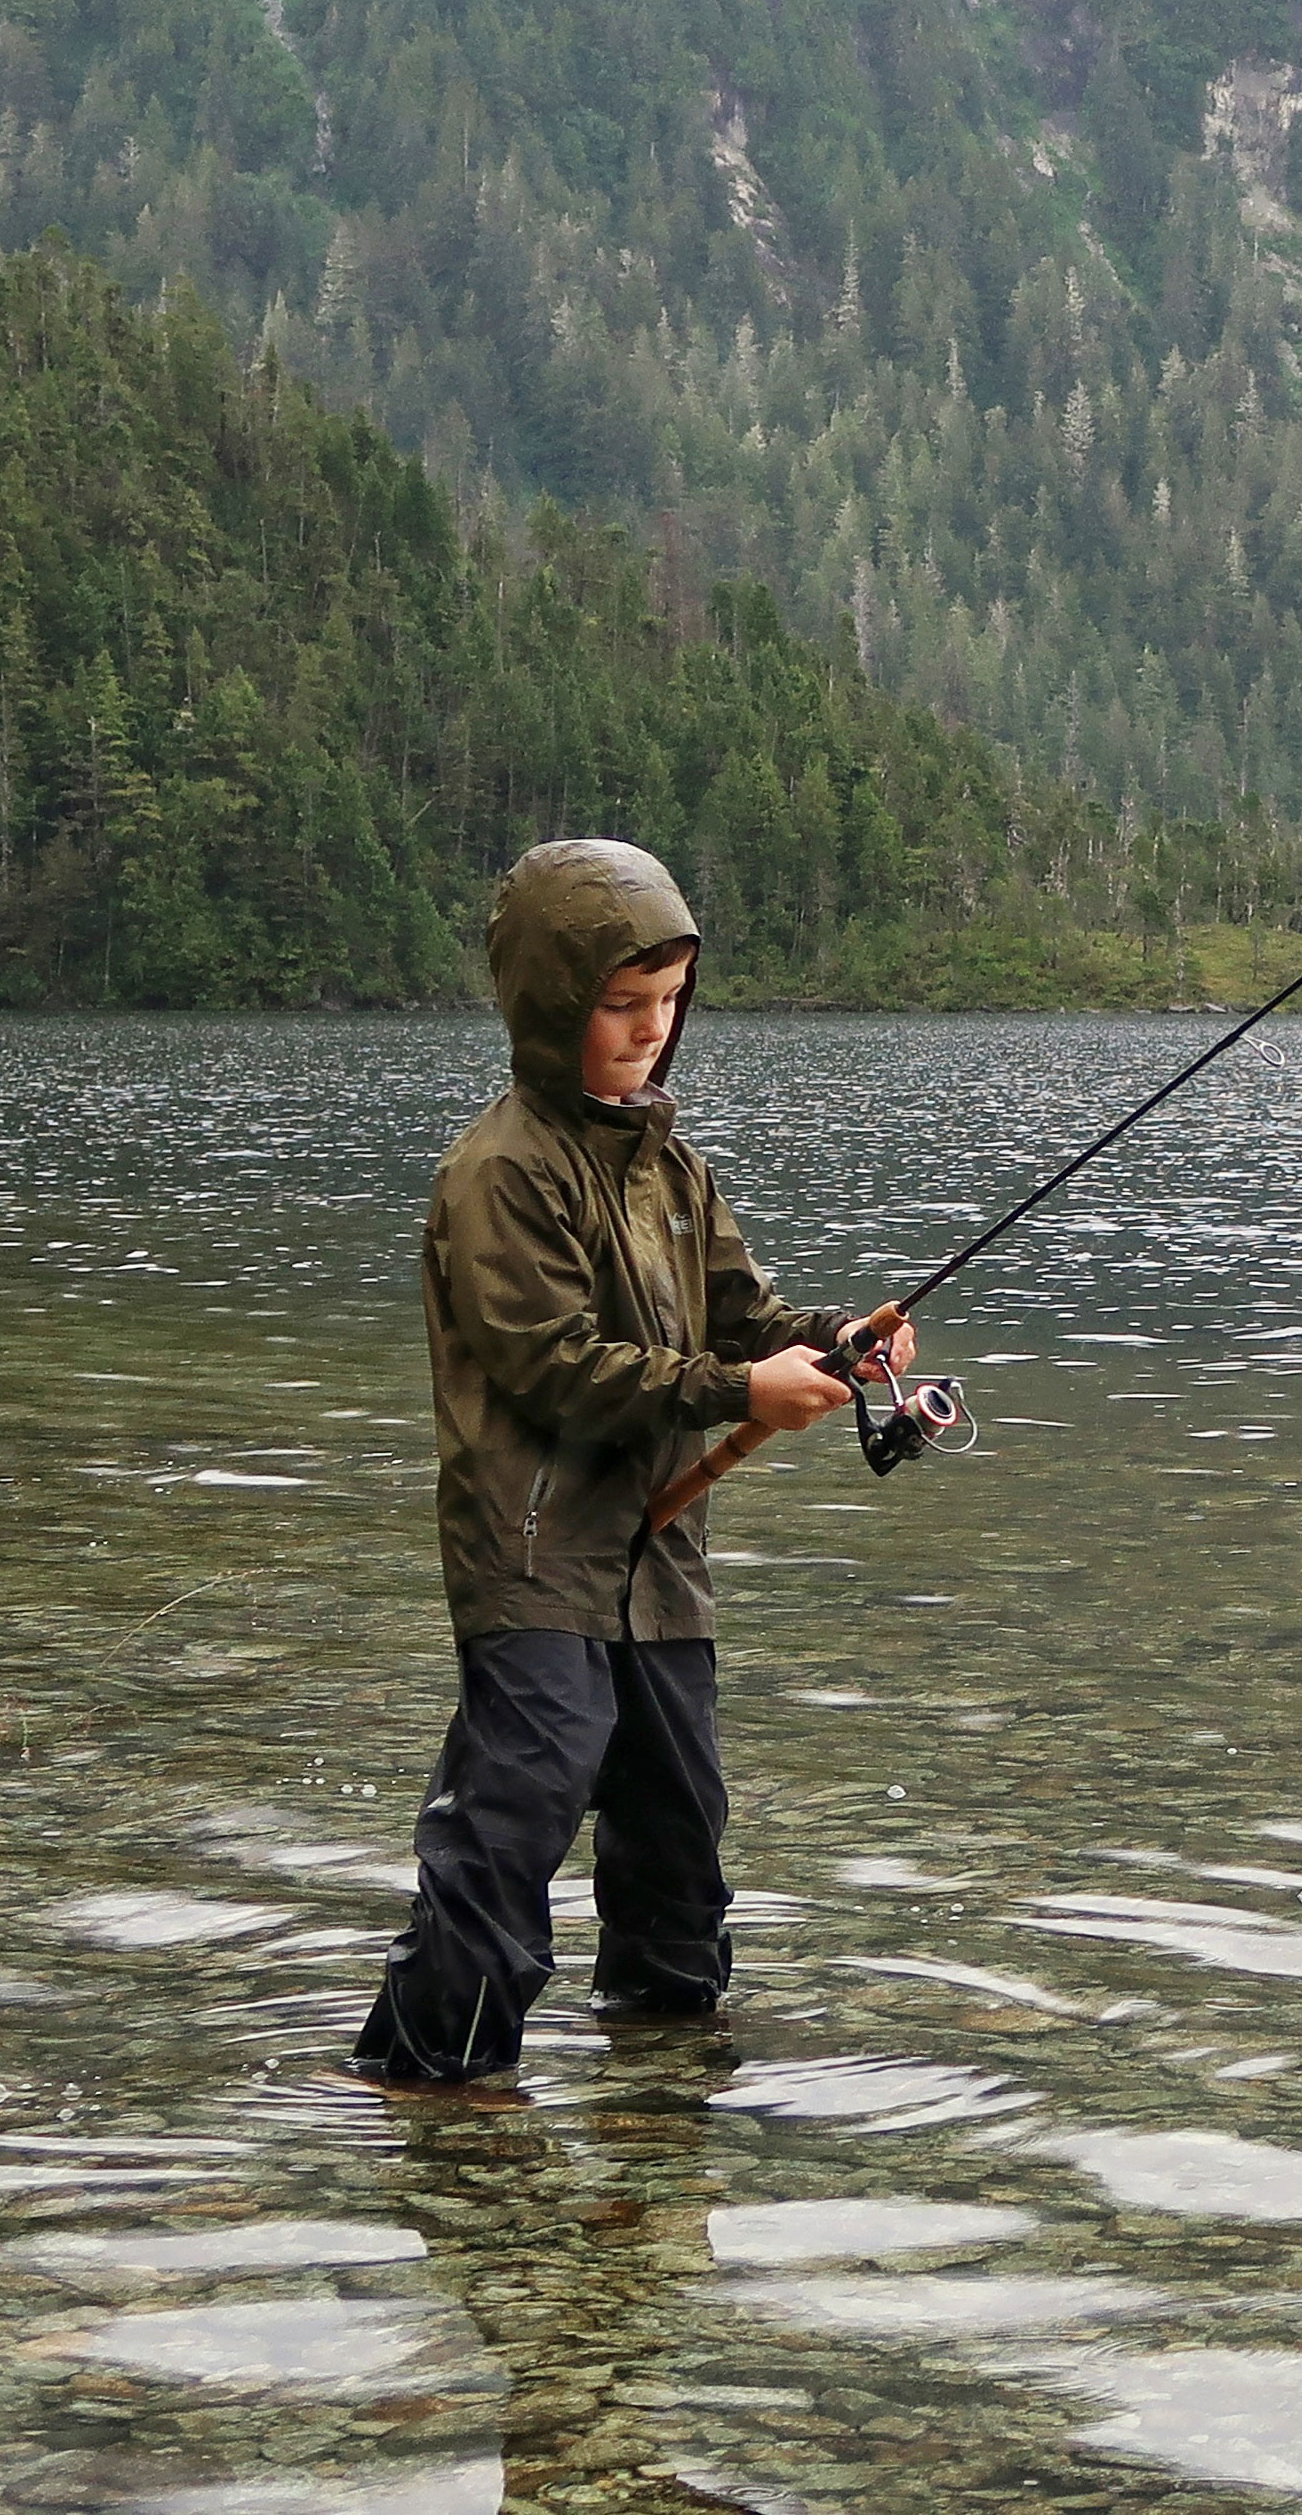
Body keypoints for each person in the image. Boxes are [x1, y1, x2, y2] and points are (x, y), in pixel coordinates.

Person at [350, 837, 900, 2087]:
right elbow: (558, 1367)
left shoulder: (670, 1165)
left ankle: (662, 2091)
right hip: (535, 1556)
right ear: (553, 1003)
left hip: (659, 1564)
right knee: (511, 1828)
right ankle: (431, 2086)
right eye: (621, 1005)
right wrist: (734, 1391)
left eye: (668, 1004)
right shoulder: (498, 1172)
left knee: (679, 1841)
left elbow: (743, 1319)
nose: (650, 1031)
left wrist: (833, 1343)